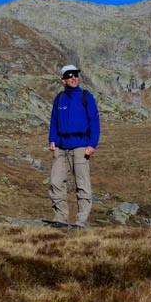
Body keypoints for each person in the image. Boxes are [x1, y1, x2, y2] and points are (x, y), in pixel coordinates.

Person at [48, 64, 100, 226]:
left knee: (82, 184)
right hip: (61, 146)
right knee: (56, 182)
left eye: (76, 75)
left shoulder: (86, 96)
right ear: (63, 80)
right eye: (70, 76)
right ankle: (61, 218)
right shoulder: (59, 98)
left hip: (80, 146)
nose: (74, 78)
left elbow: (95, 121)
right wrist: (52, 140)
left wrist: (92, 144)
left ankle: (81, 222)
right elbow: (54, 121)